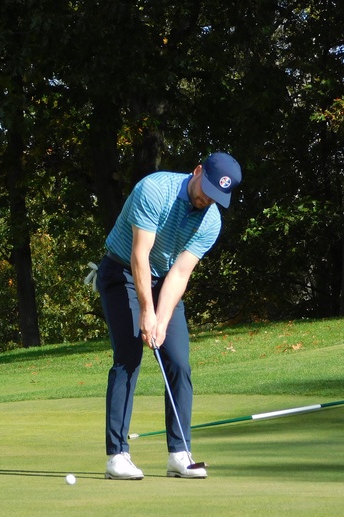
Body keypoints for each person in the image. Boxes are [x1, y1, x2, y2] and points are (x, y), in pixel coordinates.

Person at [95, 152, 242, 480]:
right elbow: (140, 255)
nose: (207, 200)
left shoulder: (211, 221)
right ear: (198, 171)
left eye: (216, 197)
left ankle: (179, 453)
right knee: (129, 356)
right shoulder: (154, 190)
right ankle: (117, 455)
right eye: (206, 190)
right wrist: (147, 312)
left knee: (178, 361)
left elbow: (180, 272)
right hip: (123, 272)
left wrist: (161, 320)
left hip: (164, 279)